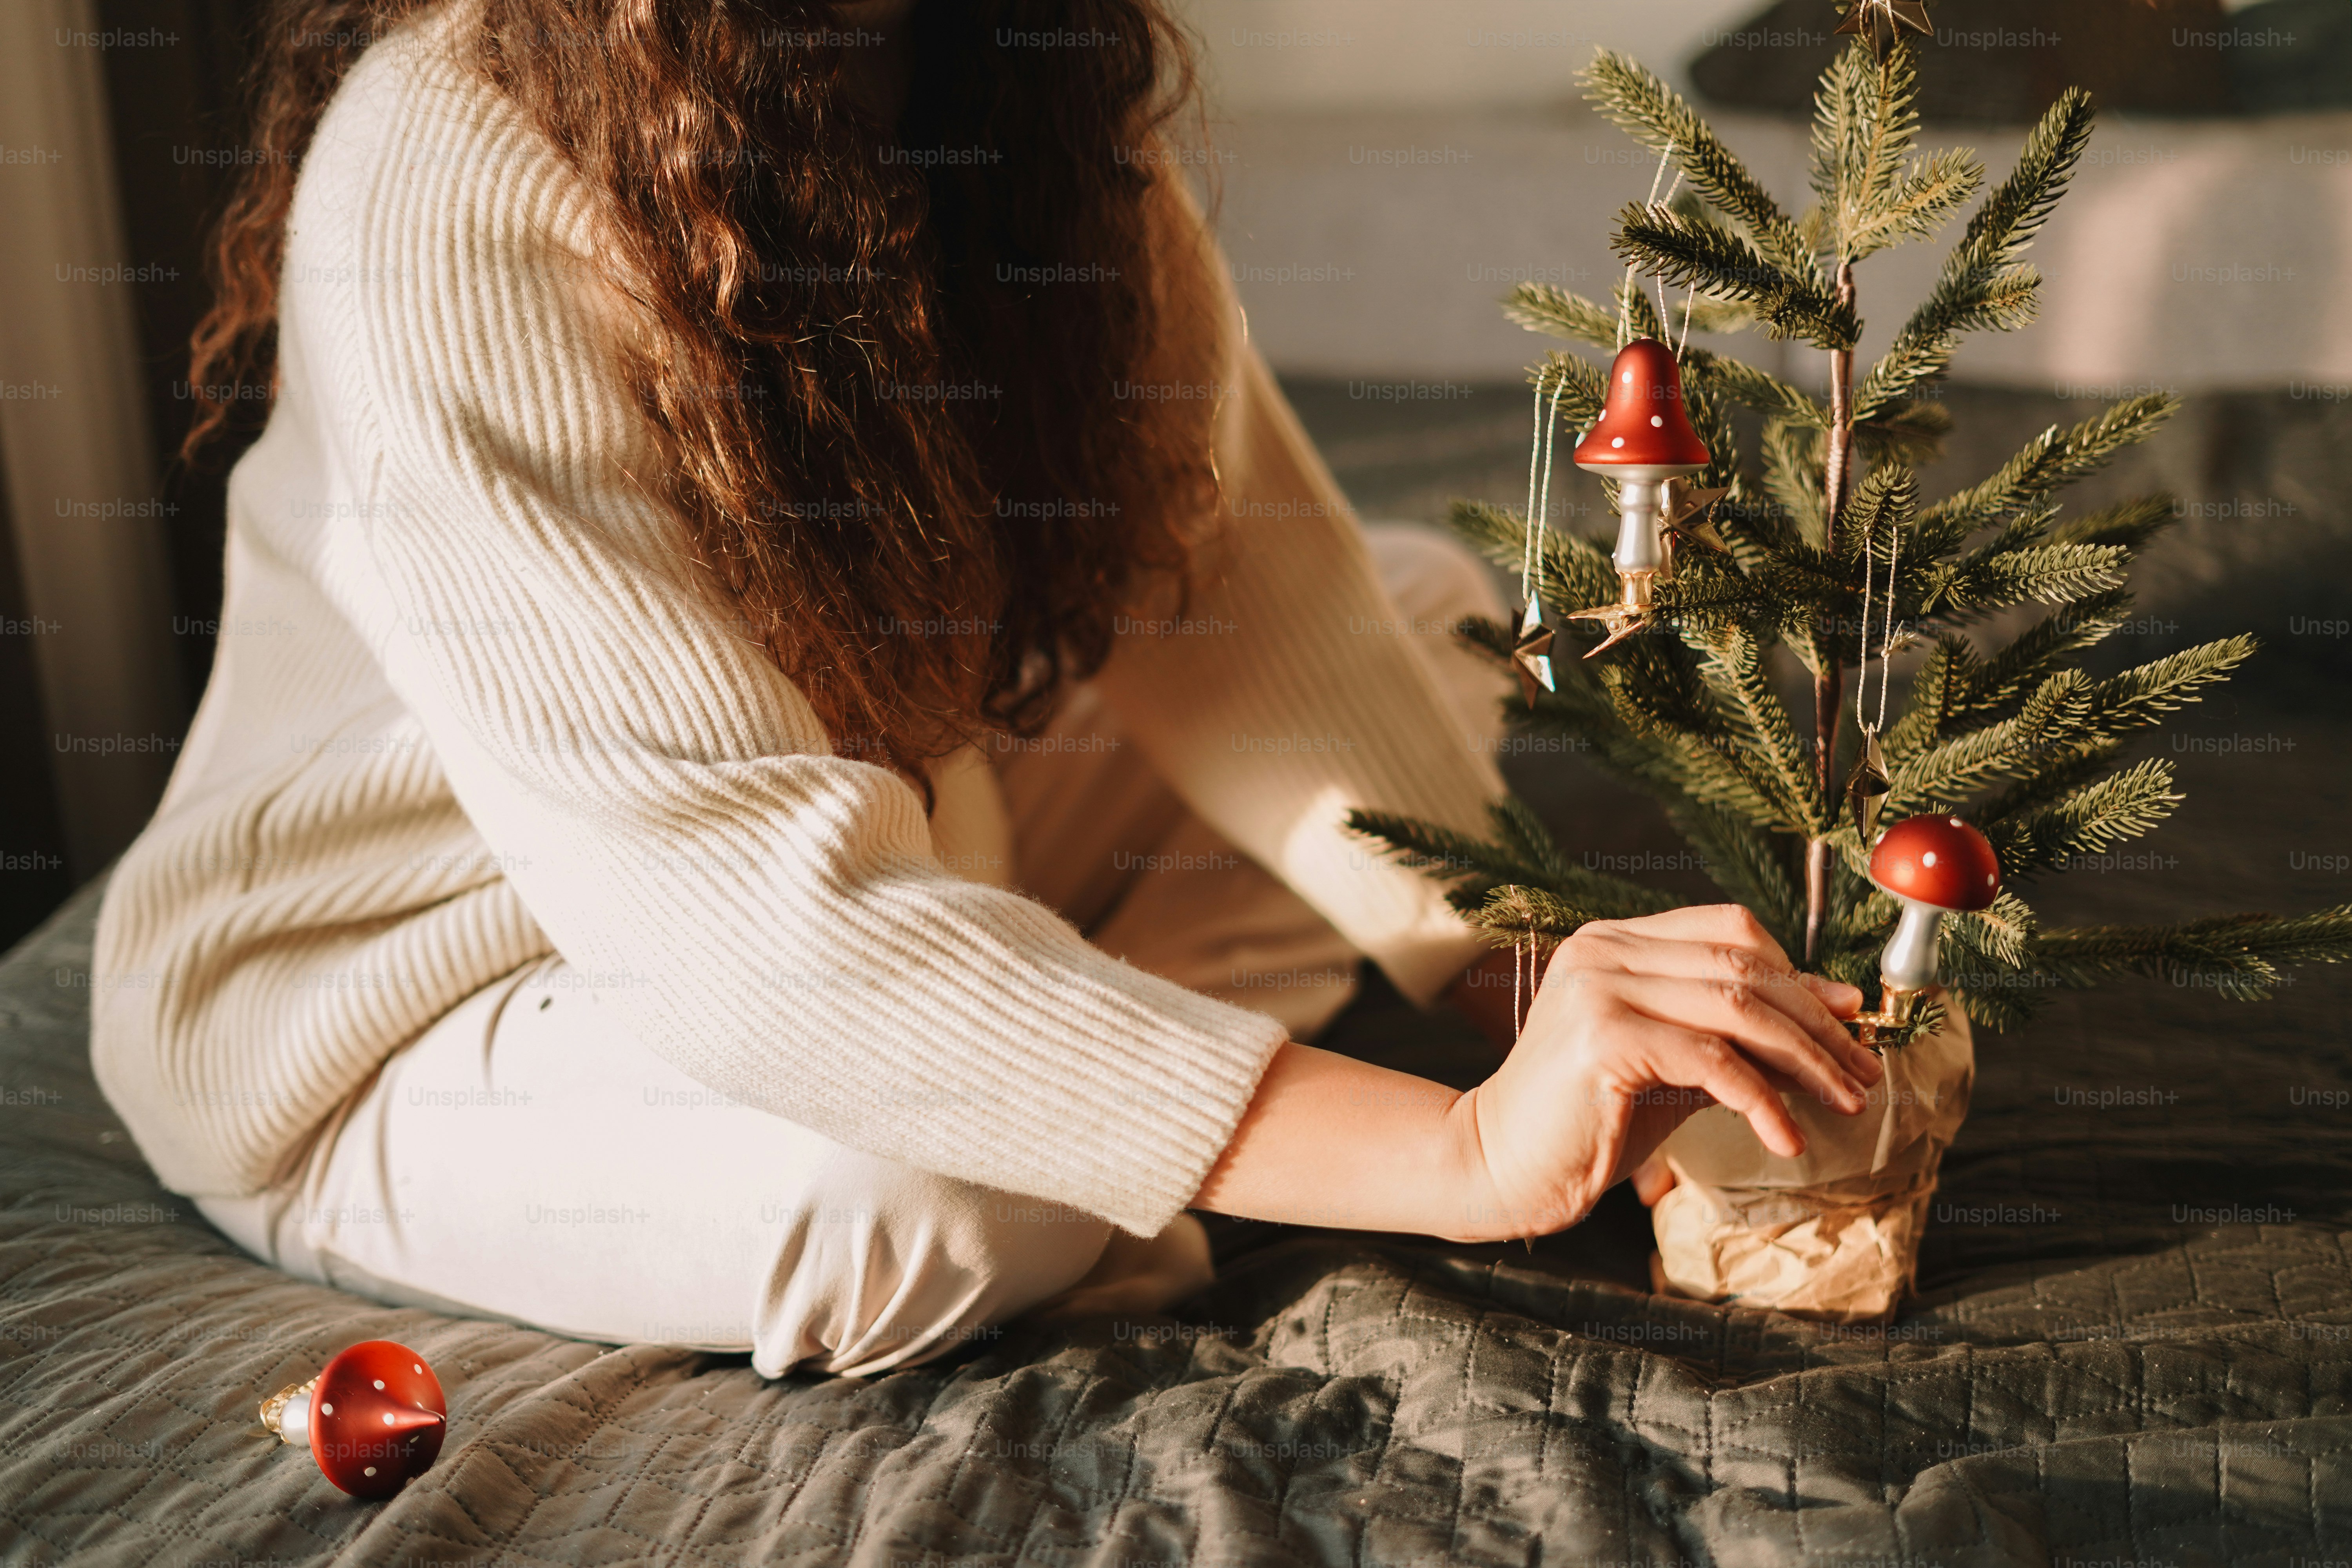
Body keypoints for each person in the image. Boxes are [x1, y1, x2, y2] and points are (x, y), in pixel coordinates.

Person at [91, 0, 1880, 1378]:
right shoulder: (445, 162)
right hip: (406, 1003)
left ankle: (1084, 1057)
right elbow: (747, 918)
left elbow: (1235, 587)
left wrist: (1532, 990)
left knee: (1419, 607)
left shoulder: (1002, 76)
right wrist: (1476, 1151)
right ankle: (1107, 1083)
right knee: (955, 1192)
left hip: (871, 827)